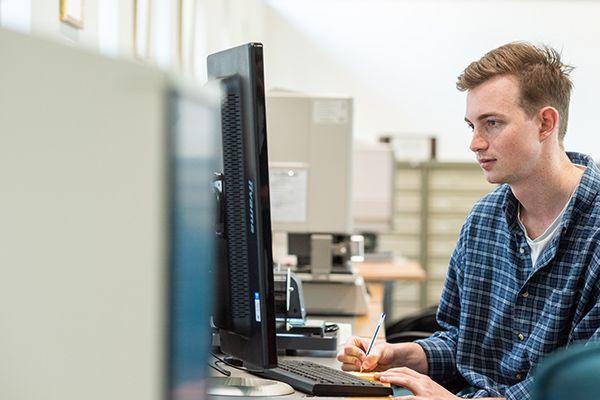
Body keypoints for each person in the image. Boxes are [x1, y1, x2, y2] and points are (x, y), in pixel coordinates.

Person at [338, 42, 600, 399]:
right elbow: (462, 341)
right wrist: (404, 356)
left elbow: (580, 387)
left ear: (545, 123)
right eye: (472, 125)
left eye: (492, 124)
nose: (475, 143)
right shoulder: (483, 220)